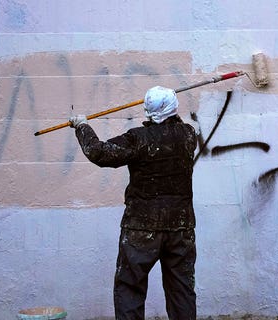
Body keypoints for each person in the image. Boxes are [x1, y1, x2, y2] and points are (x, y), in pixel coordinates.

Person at [69, 86, 198, 320]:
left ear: (148, 111)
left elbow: (98, 152)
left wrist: (82, 126)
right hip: (180, 227)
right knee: (181, 290)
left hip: (141, 227)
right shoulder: (189, 135)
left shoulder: (137, 139)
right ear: (173, 109)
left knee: (130, 288)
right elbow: (173, 129)